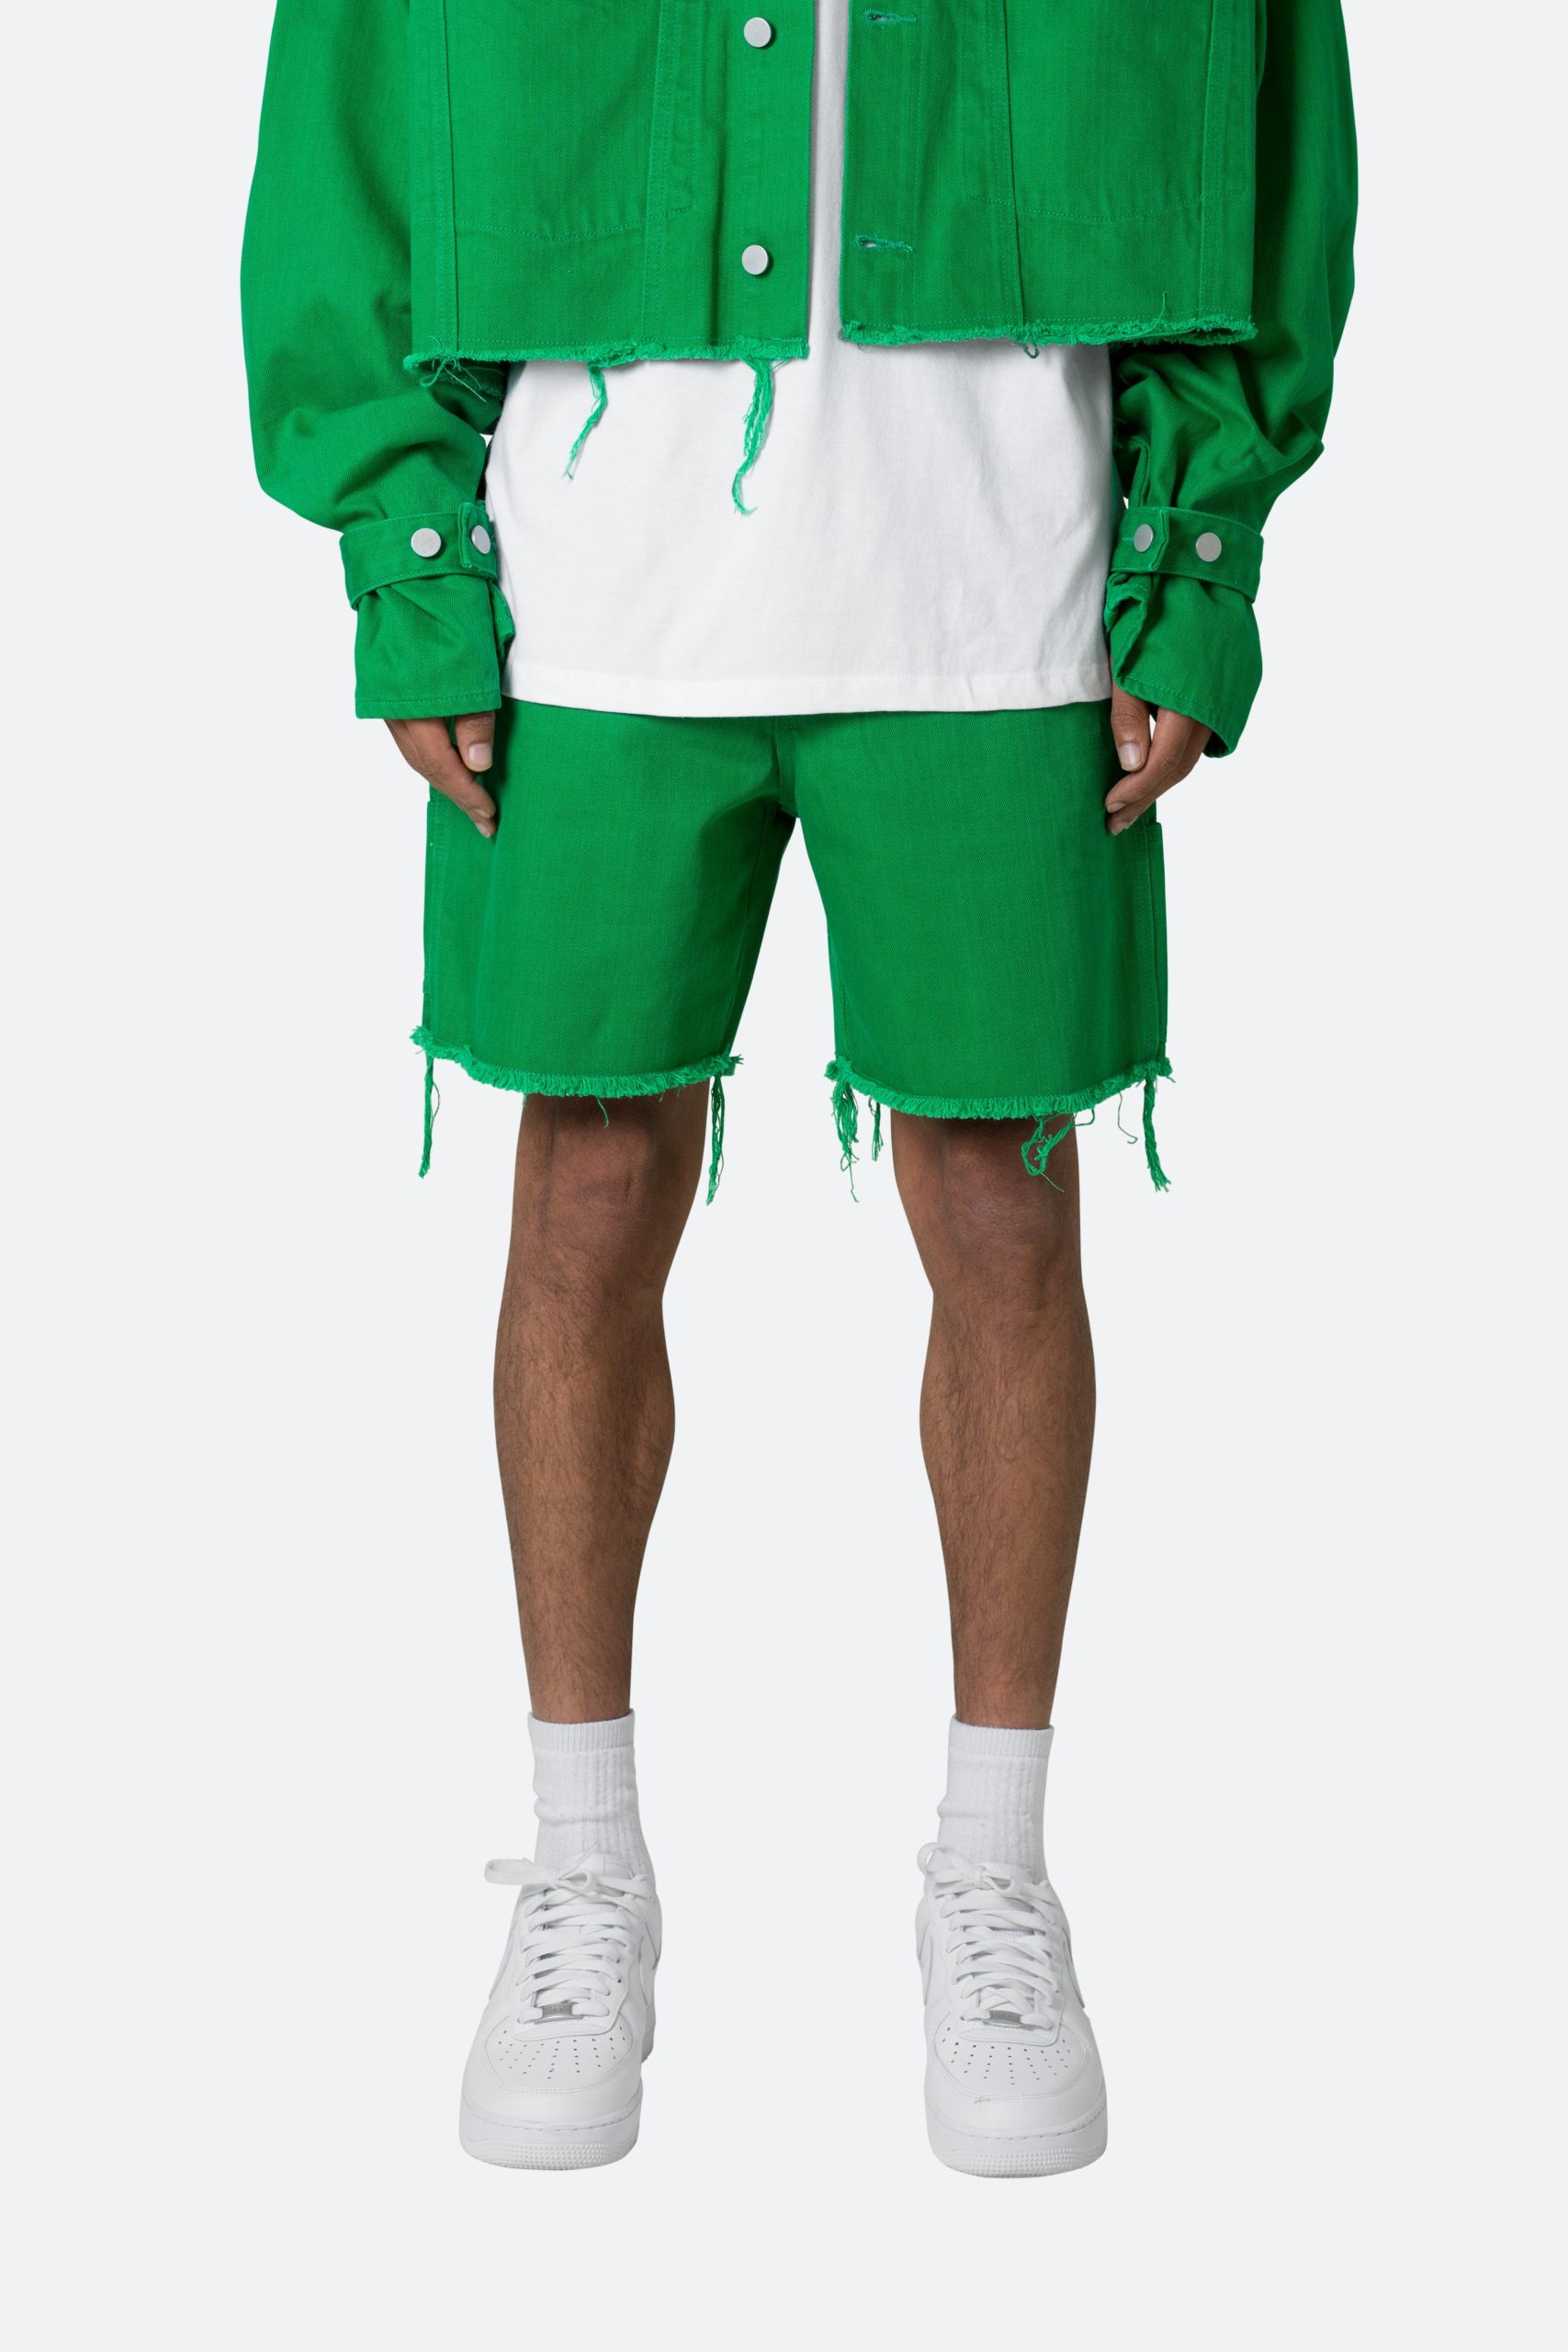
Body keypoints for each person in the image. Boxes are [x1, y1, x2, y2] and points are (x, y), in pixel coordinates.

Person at [243, 0, 1355, 2176]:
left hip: (1005, 584)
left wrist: (1194, 545)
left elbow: (1264, 94)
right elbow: (348, 102)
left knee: (1004, 1211)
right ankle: (581, 1862)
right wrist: (408, 554)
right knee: (581, 1194)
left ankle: (992, 1865)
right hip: (586, 590)